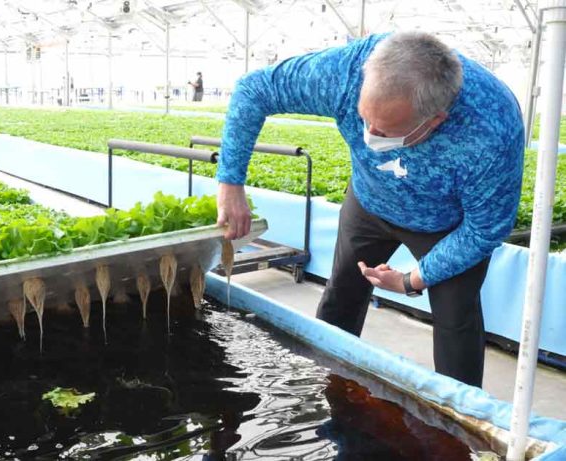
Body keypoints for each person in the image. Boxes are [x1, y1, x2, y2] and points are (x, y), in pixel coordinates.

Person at [214, 32, 524, 387]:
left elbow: (485, 230)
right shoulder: (345, 71)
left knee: (457, 322)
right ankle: (326, 386)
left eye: (386, 130)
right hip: (369, 202)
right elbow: (253, 90)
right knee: (340, 297)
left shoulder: (492, 126)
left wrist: (412, 280)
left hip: (447, 227)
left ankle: (463, 422)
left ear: (434, 121)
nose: (370, 136)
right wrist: (230, 184)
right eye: (364, 119)